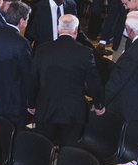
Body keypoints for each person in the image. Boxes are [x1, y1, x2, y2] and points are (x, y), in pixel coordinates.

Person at [26, 12, 103, 145]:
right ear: (75, 31)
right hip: (73, 113)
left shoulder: (42, 50)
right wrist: (99, 104)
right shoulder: (85, 53)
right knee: (68, 153)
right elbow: (94, 83)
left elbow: (32, 79)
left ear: (58, 29)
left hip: (45, 109)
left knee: (43, 150)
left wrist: (31, 104)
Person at [0, 0, 34, 127]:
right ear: (21, 21)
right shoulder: (21, 43)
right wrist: (31, 103)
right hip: (13, 102)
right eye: (26, 20)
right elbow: (28, 75)